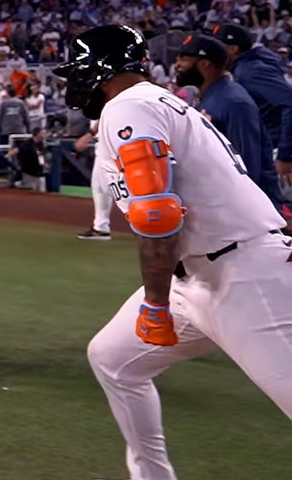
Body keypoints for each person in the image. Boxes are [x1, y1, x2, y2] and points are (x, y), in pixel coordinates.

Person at [54, 24, 292, 480]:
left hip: (244, 275)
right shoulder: (152, 101)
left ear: (98, 71)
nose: (74, 84)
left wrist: (156, 303)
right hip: (204, 273)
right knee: (113, 359)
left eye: (79, 72)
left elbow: (158, 216)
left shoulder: (131, 104)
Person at [174, 33, 283, 210]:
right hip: (223, 203)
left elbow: (247, 166)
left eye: (184, 59)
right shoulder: (210, 97)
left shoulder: (234, 102)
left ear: (204, 64)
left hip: (246, 212)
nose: (177, 65)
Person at [213, 24, 292, 199]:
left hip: (277, 148)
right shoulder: (248, 65)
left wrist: (286, 155)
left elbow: (289, 102)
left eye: (218, 47)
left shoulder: (250, 70)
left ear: (233, 49)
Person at [74, 118, 114, 241]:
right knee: (99, 186)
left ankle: (152, 225)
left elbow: (106, 114)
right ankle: (101, 227)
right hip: (106, 141)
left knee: (122, 187)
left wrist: (88, 136)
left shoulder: (108, 99)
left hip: (112, 141)